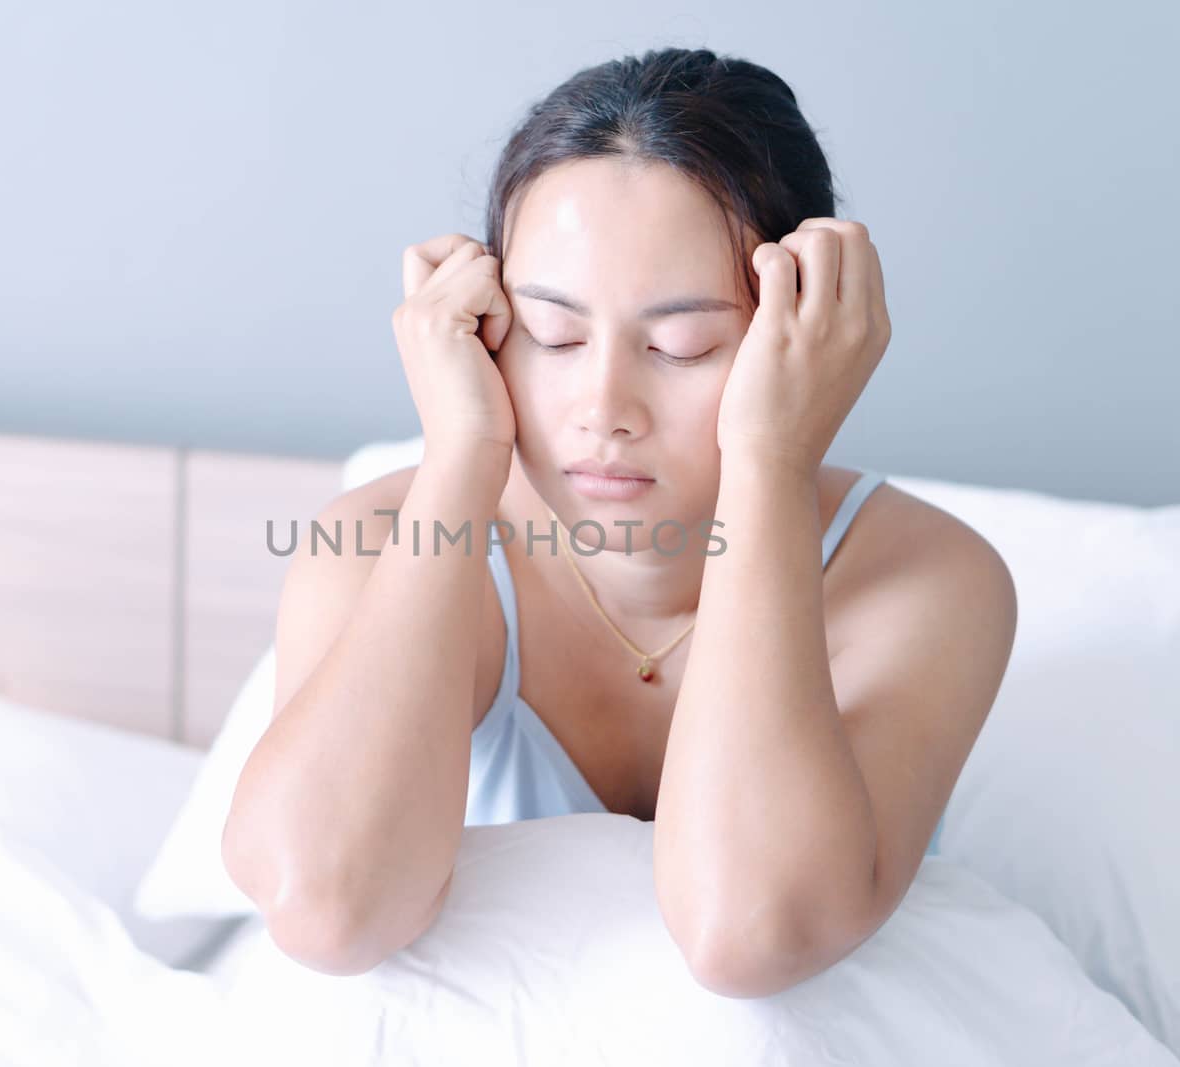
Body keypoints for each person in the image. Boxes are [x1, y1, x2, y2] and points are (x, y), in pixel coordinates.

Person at [222, 46, 1017, 996]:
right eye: (554, 335)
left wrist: (772, 459)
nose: (604, 408)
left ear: (798, 334)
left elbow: (750, 932)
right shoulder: (394, 538)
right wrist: (461, 456)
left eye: (681, 346)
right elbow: (325, 904)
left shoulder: (931, 581)